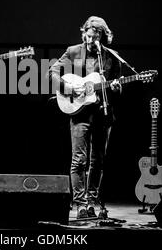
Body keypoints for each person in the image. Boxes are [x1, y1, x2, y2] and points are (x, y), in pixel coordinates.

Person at [49, 16, 122, 219]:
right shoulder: (73, 51)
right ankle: (80, 203)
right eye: (87, 36)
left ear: (102, 36)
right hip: (80, 112)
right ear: (84, 33)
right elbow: (52, 72)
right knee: (78, 160)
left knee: (97, 161)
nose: (90, 41)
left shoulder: (111, 57)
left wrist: (116, 88)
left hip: (102, 115)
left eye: (94, 37)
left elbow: (117, 89)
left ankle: (91, 201)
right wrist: (67, 87)